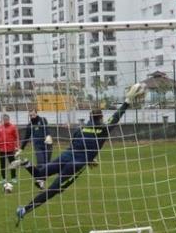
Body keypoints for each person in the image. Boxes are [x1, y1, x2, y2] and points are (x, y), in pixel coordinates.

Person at [13, 83, 146, 225]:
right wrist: (127, 100)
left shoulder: (80, 129)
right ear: (101, 118)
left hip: (66, 156)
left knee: (40, 174)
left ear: (90, 117)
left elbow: (76, 144)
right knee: (53, 190)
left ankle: (26, 163)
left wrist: (90, 158)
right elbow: (117, 116)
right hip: (76, 164)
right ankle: (24, 210)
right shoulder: (103, 129)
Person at [0, 114, 20, 185]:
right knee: (2, 164)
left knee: (12, 164)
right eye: (4, 119)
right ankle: (3, 179)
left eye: (6, 119)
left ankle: (13, 178)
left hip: (10, 149)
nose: (5, 120)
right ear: (2, 120)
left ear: (9, 119)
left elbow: (16, 137)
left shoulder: (13, 127)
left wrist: (17, 146)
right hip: (2, 149)